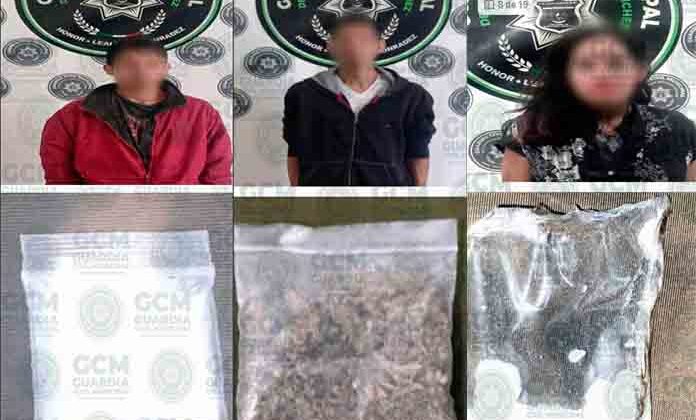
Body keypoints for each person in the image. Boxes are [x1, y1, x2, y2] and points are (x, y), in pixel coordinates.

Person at [499, 24, 696, 182]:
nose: (602, 74)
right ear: (566, 76)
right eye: (586, 65)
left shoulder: (678, 129)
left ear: (640, 71)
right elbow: (517, 207)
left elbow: (689, 204)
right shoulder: (528, 131)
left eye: (616, 64)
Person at [40, 37, 232, 184]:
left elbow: (217, 176)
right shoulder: (71, 117)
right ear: (109, 69)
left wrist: (205, 211)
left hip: (182, 212)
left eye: (152, 65)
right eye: (129, 65)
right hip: (101, 215)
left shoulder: (201, 114)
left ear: (166, 68)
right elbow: (60, 183)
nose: (142, 73)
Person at [283, 15, 435, 186]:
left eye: (364, 40)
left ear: (380, 45)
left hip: (387, 198)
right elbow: (295, 151)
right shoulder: (303, 95)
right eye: (345, 40)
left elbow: (418, 153)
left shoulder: (412, 97)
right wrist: (297, 193)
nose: (355, 47)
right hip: (322, 197)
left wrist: (417, 195)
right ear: (331, 45)